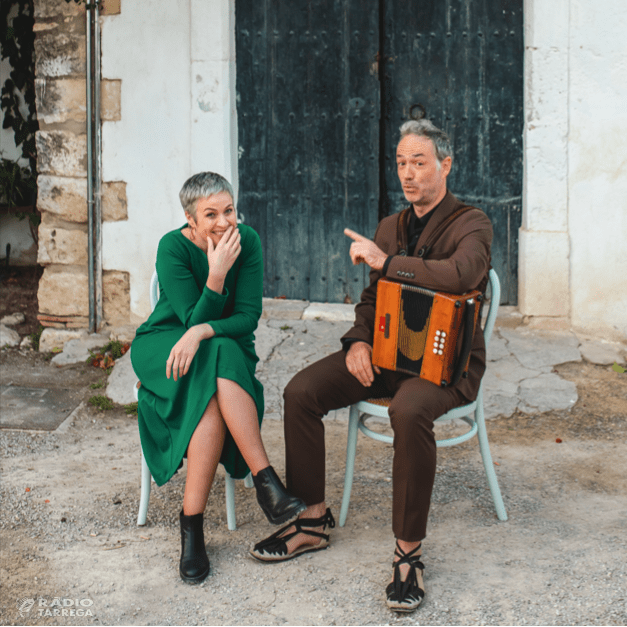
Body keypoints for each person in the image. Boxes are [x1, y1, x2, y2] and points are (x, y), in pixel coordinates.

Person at [250, 120, 493, 612]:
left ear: (446, 165)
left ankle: (408, 555)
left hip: (447, 365)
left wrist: (389, 263)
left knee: (408, 411)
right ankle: (312, 522)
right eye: (401, 163)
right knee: (301, 391)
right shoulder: (390, 226)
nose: (408, 173)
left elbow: (462, 274)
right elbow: (370, 300)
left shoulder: (473, 223)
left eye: (419, 162)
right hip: (386, 354)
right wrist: (358, 342)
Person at [131, 172, 305, 584]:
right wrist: (215, 274)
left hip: (220, 342)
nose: (225, 222)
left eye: (229, 210)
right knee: (216, 357)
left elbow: (247, 318)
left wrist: (202, 332)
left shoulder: (249, 241)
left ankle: (191, 526)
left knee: (219, 359)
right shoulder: (172, 247)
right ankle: (269, 487)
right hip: (165, 347)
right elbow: (189, 317)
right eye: (211, 214)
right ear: (190, 220)